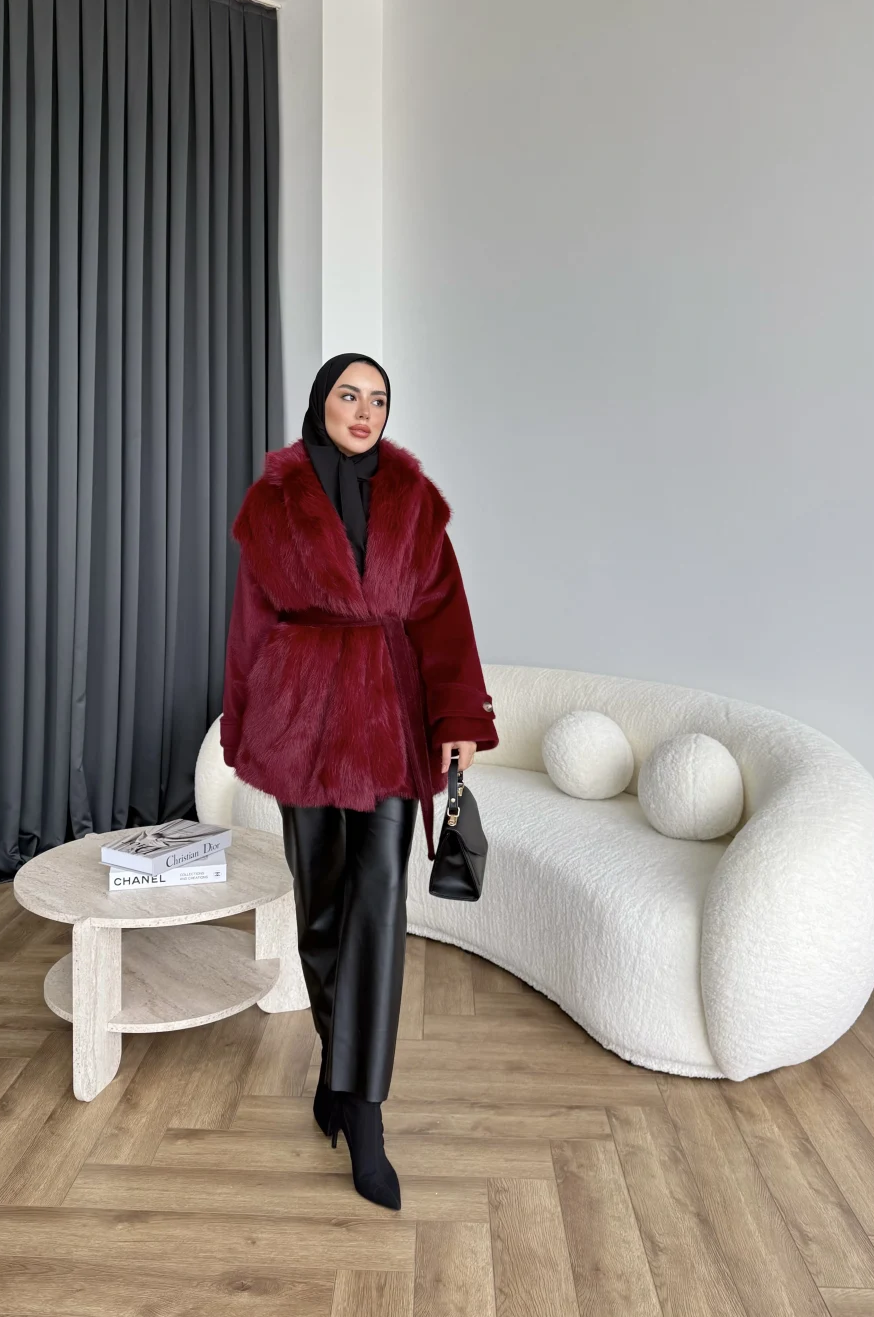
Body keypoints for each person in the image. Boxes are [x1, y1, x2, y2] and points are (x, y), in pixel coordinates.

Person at [220, 352, 498, 1210]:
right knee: (320, 912)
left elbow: (444, 616)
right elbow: (250, 624)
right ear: (322, 403)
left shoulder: (415, 502)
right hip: (301, 720)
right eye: (350, 394)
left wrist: (458, 719)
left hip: (387, 719)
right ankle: (335, 1076)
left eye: (378, 398)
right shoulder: (275, 501)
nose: (365, 409)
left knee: (377, 910)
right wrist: (244, 720)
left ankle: (366, 1111)